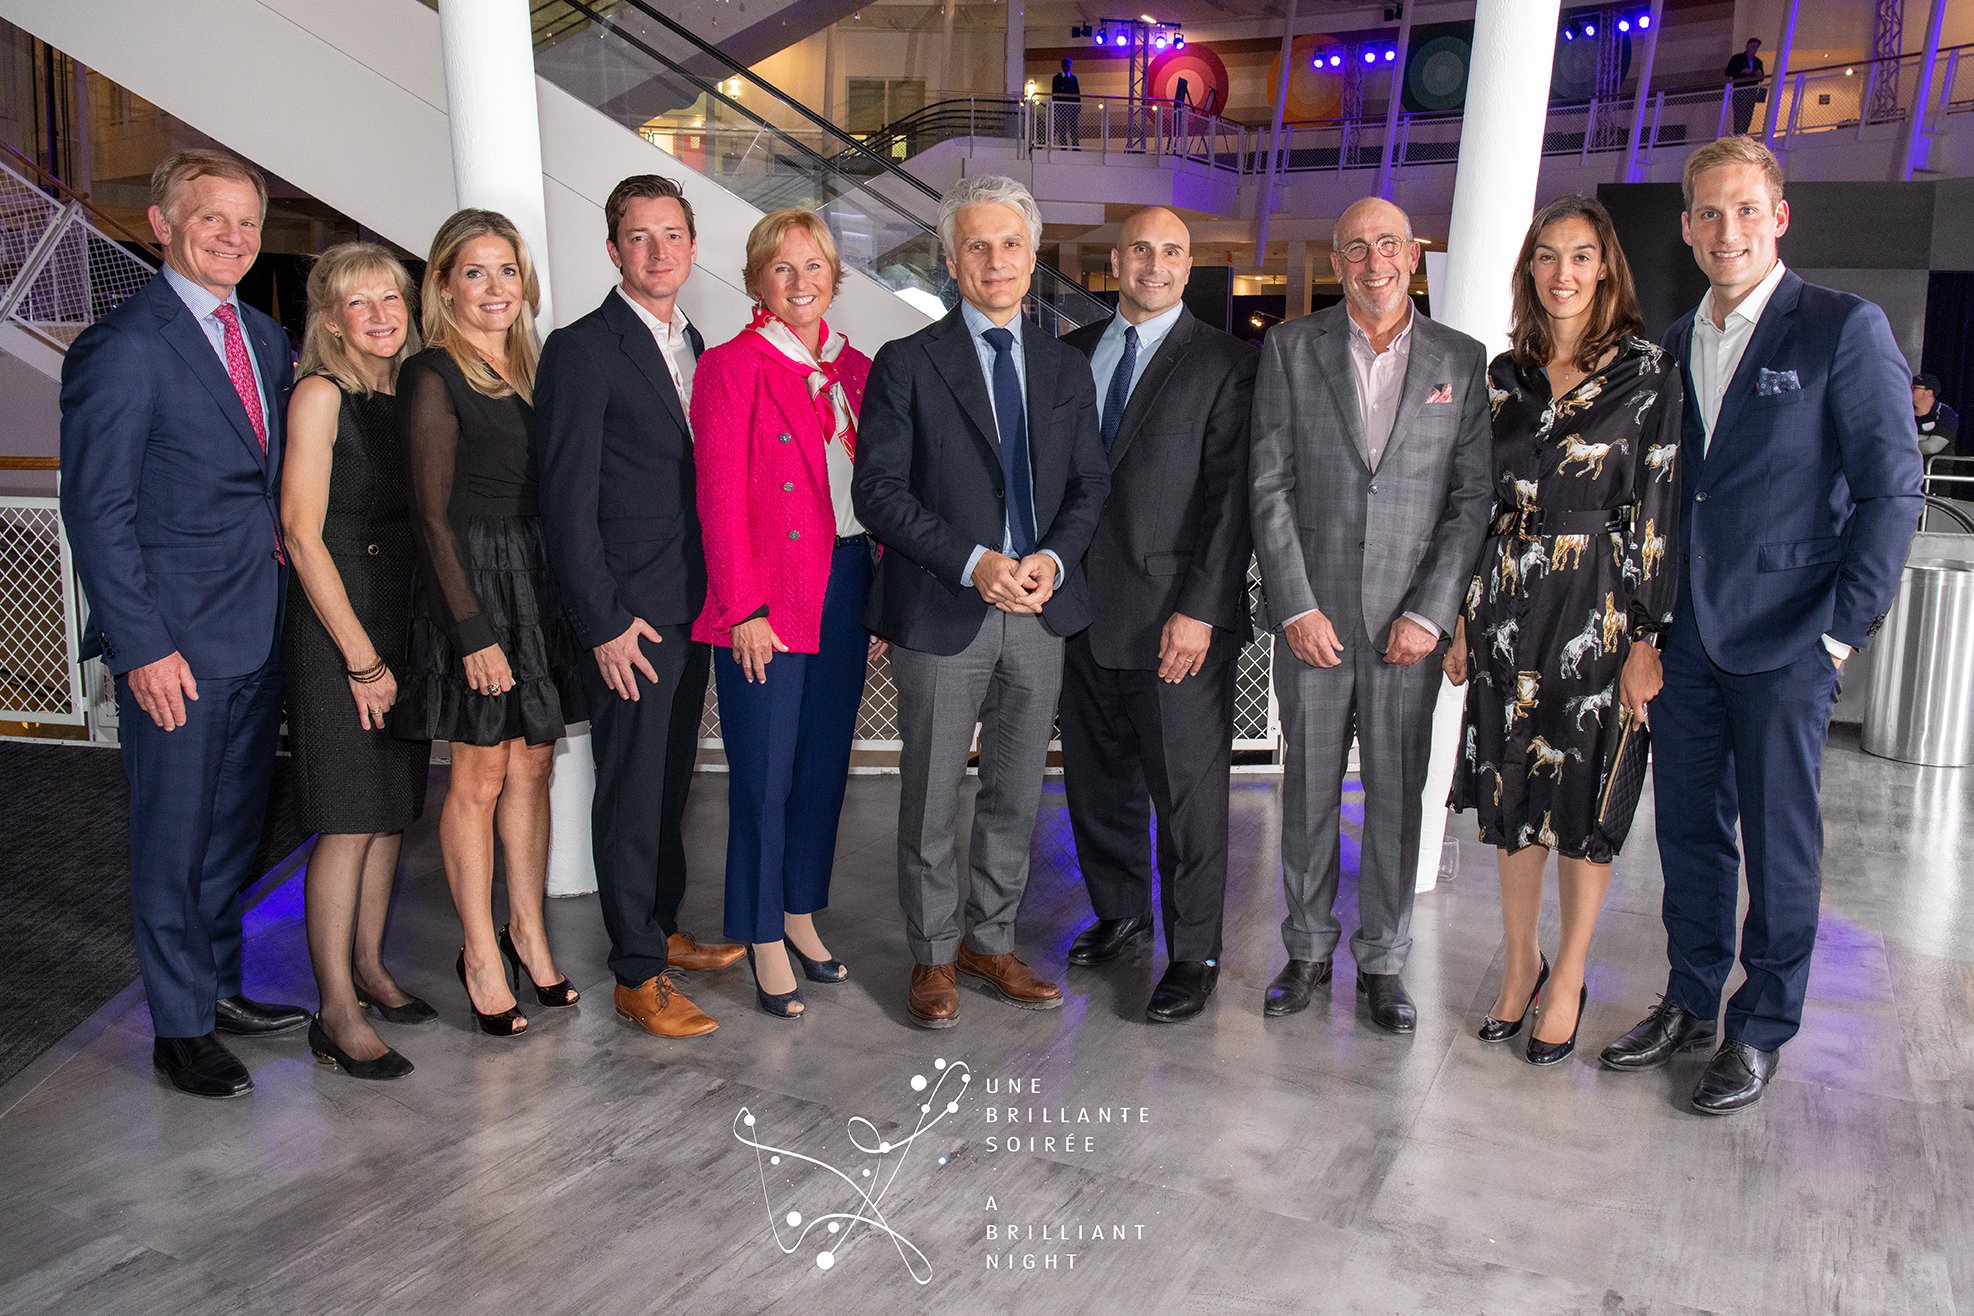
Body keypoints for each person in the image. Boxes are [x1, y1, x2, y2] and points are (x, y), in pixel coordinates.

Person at [1600, 138, 1922, 1113]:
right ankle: (1691, 1001)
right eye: (1708, 212)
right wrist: (1647, 630)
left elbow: (1892, 489)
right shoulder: (1670, 343)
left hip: (1789, 639)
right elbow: (1659, 502)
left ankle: (1762, 1026)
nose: (1726, 229)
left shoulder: (1840, 328)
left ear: (1779, 218)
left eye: (1746, 209)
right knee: (1690, 835)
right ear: (1686, 226)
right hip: (1687, 641)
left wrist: (1840, 632)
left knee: (1781, 847)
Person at [60, 148, 306, 1098]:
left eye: (248, 222)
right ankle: (179, 1027)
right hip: (175, 648)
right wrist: (142, 646)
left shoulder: (265, 337)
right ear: (163, 224)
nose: (234, 238)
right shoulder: (123, 347)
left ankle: (219, 988)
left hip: (258, 629)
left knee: (234, 833)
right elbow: (98, 512)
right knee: (173, 840)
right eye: (213, 219)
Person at [852, 174, 1109, 1029]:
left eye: (1010, 244)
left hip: (1039, 612)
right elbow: (878, 492)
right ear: (951, 260)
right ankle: (932, 954)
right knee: (930, 795)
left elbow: (1090, 484)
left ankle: (989, 942)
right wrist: (973, 563)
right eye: (977, 246)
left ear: (1032, 258)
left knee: (1014, 794)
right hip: (942, 608)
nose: (995, 260)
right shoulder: (907, 363)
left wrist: (1052, 560)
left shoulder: (1065, 366)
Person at [1443, 196, 1682, 1066]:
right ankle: (1521, 965)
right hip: (1504, 602)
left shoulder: (1649, 373)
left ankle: (1571, 974)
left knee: (1585, 797)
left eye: (1581, 256)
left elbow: (1659, 508)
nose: (1563, 273)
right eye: (1547, 256)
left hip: (1601, 605)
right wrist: (1460, 613)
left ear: (1606, 267)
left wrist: (1649, 635)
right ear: (1529, 269)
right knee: (1511, 792)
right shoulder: (1503, 376)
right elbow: (1473, 500)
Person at [1249, 196, 1492, 1032]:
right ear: (1337, 262)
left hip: (1407, 632)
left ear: (1413, 255)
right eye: (1355, 247)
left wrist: (1432, 613)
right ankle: (1307, 951)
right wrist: (1294, 605)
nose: (1373, 261)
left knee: (1396, 797)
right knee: (1307, 793)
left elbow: (1471, 499)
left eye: (1388, 244)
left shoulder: (1461, 359)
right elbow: (1269, 485)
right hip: (1313, 623)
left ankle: (1385, 962)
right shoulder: (1290, 349)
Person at [536, 175, 741, 1042]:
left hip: (694, 605)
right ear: (614, 249)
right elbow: (563, 504)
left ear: (691, 246)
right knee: (628, 790)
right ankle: (634, 975)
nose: (658, 251)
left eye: (672, 235)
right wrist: (604, 623)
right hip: (630, 618)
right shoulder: (581, 350)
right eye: (639, 236)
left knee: (669, 781)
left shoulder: (698, 343)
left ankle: (661, 927)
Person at [1058, 206, 1256, 1024]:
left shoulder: (1228, 362)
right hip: (1078, 610)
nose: (1156, 263)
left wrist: (1200, 610)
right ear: (1116, 261)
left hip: (1176, 622)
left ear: (1188, 264)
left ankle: (1194, 953)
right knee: (1097, 780)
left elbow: (1231, 501)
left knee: (1187, 798)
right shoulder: (1071, 355)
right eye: (1141, 248)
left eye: (1172, 251)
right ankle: (1121, 913)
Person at [395, 209, 584, 1038]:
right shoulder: (432, 373)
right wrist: (470, 631)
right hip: (473, 584)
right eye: (474, 271)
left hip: (538, 581)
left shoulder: (539, 370)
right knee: (478, 773)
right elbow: (430, 517)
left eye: (507, 270)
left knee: (533, 765)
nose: (495, 287)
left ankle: (527, 932)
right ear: (444, 286)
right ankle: (478, 951)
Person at [690, 210, 882, 1020]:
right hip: (767, 594)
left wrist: (878, 602)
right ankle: (761, 929)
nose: (800, 282)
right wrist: (742, 607)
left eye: (814, 267)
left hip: (847, 582)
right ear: (756, 281)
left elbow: (879, 491)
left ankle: (800, 909)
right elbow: (717, 499)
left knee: (822, 766)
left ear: (834, 277)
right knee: (762, 773)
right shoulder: (731, 367)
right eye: (782, 268)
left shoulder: (856, 369)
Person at [280, 243, 433, 1080]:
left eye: (391, 298)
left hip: (398, 623)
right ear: (331, 320)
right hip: (340, 633)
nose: (379, 315)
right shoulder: (320, 394)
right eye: (358, 302)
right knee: (346, 819)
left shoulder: (403, 392)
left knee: (387, 812)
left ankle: (371, 970)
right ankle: (335, 1011)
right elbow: (300, 535)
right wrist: (362, 659)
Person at [1913, 373, 1959, 459]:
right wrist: (1924, 438)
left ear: (1928, 393)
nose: (1909, 390)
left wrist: (1905, 445)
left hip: (1934, 466)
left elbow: (1931, 447)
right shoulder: (1905, 411)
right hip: (1906, 464)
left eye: (1914, 388)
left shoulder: (1946, 414)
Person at [1725, 38, 1765, 136]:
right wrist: (1741, 71)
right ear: (1747, 46)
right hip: (1740, 90)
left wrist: (1759, 75)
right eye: (1753, 47)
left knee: (1748, 114)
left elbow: (1761, 78)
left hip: (1751, 91)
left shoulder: (1758, 62)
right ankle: (1738, 134)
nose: (1754, 49)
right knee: (1739, 114)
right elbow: (1728, 72)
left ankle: (1743, 133)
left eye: (1756, 47)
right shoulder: (1737, 58)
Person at [1051, 58, 1083, 149]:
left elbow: (1077, 92)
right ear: (1062, 66)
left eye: (1068, 66)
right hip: (1062, 106)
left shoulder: (1073, 78)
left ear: (1071, 66)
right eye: (1065, 66)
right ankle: (1063, 145)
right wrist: (1056, 105)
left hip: (1072, 106)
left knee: (1073, 126)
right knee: (1062, 126)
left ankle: (1075, 145)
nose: (1067, 68)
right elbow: (1054, 93)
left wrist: (1078, 105)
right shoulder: (1056, 78)